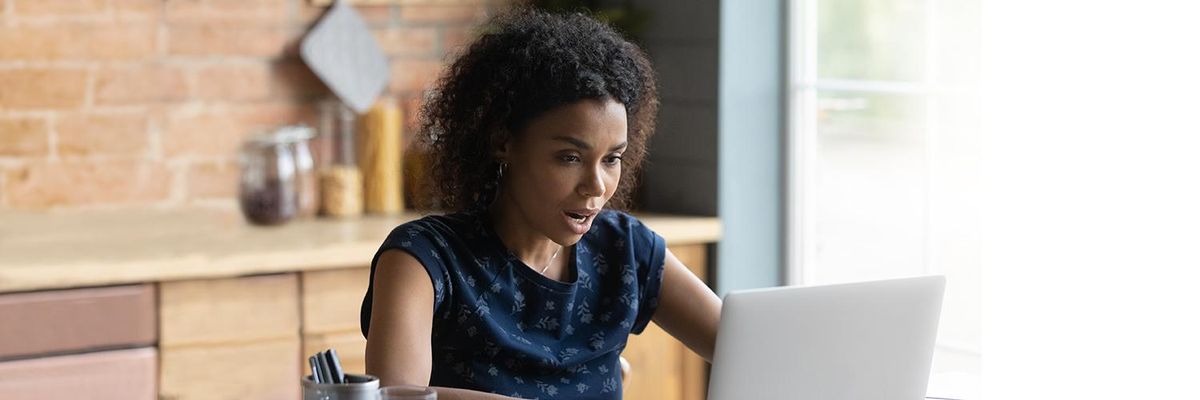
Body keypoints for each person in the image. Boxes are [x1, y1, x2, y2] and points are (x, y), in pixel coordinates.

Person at [360, 9, 722, 400]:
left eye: (611, 159)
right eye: (569, 157)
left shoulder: (624, 250)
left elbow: (749, 349)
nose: (596, 186)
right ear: (503, 142)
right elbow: (395, 396)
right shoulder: (424, 258)